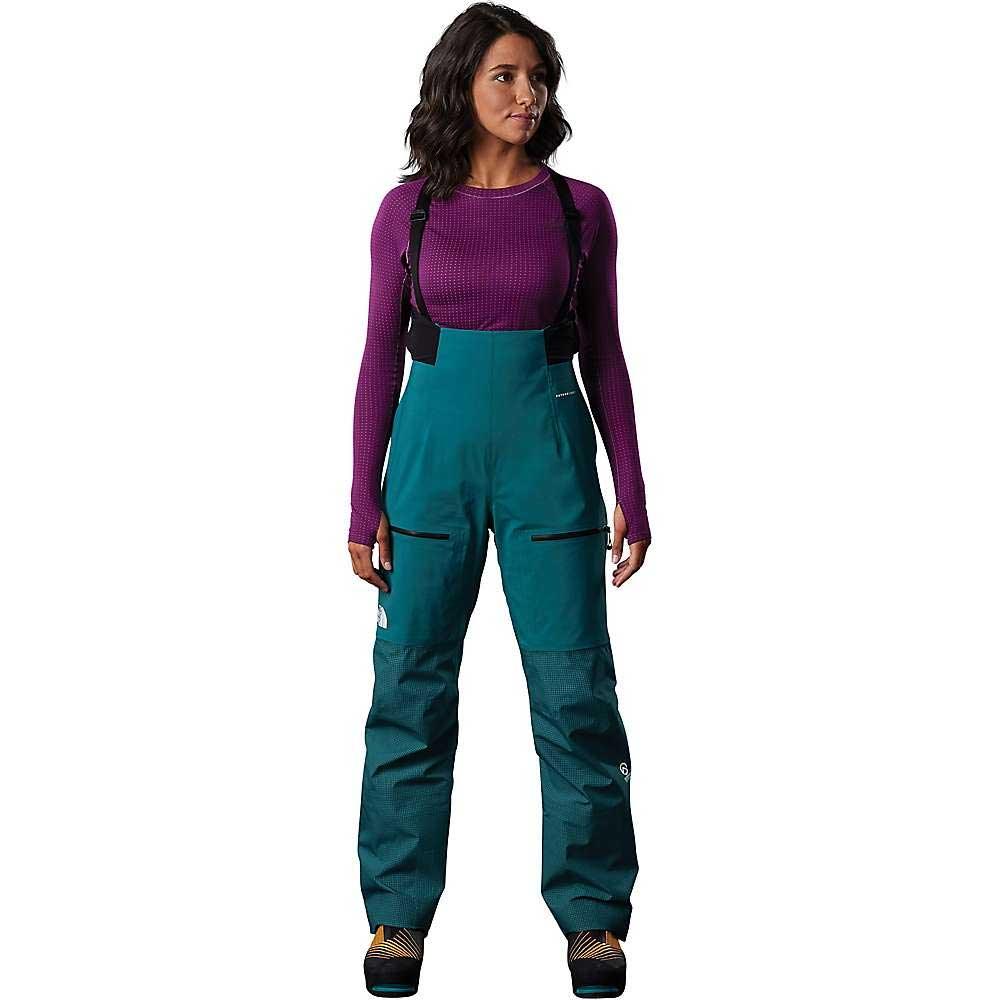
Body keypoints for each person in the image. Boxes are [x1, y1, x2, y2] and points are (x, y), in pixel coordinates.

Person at [348, 5, 651, 997]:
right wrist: (360, 500)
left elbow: (605, 356)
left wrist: (632, 488)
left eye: (539, 78)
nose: (529, 95)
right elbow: (377, 360)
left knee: (575, 696)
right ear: (461, 87)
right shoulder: (408, 212)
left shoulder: (580, 209)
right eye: (507, 77)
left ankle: (593, 917)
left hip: (549, 466)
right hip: (428, 469)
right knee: (410, 692)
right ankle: (396, 914)